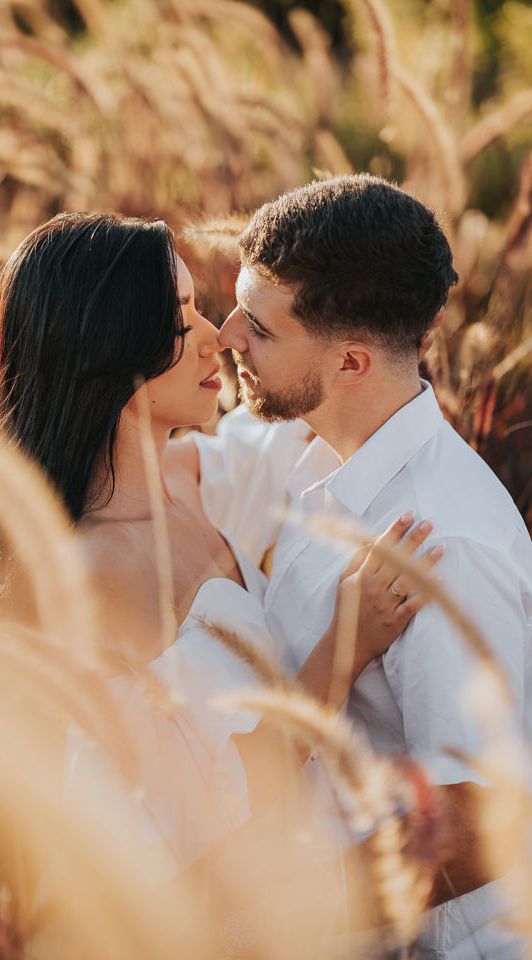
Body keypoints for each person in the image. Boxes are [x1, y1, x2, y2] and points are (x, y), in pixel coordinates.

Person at [0, 211, 441, 900]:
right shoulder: (98, 573)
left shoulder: (190, 478)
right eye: (183, 315)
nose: (215, 337)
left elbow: (306, 420)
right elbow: (203, 802)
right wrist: (347, 645)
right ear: (113, 345)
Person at [180, 174, 532, 958]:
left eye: (261, 329)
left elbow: (475, 820)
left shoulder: (444, 547)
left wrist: (266, 919)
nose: (228, 334)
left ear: (350, 363)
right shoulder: (311, 447)